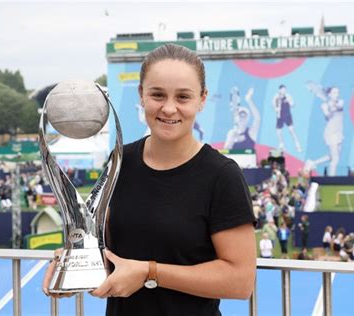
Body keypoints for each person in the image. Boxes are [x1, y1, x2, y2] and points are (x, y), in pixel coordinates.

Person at [43, 44, 257, 315]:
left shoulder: (222, 175)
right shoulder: (121, 161)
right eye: (157, 95)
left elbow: (240, 281)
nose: (169, 108)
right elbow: (111, 253)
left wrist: (149, 272)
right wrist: (75, 263)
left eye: (183, 97)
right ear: (141, 96)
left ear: (202, 99)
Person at [305, 86, 344, 176]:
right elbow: (327, 116)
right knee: (335, 159)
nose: (336, 94)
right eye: (334, 93)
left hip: (339, 132)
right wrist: (330, 109)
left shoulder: (341, 101)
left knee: (332, 156)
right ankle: (332, 178)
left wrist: (333, 106)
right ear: (329, 94)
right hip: (331, 132)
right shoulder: (324, 105)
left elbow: (339, 106)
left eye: (337, 92)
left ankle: (312, 163)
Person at [224, 86, 261, 150]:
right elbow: (225, 154)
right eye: (240, 115)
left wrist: (249, 100)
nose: (242, 118)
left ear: (247, 119)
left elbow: (257, 119)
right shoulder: (231, 133)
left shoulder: (251, 133)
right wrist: (231, 142)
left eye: (245, 116)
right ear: (236, 118)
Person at [272, 84, 302, 152]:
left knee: (292, 131)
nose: (284, 91)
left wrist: (289, 101)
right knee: (278, 132)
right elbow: (274, 106)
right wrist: (276, 109)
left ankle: (298, 145)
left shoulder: (288, 96)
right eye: (282, 89)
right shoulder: (276, 97)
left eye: (285, 89)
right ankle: (282, 145)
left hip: (288, 116)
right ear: (279, 90)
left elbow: (293, 104)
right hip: (279, 116)